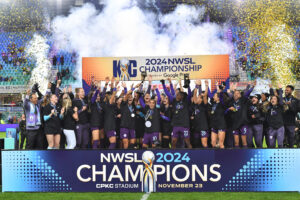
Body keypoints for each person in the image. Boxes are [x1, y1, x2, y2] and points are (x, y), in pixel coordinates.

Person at [191, 80, 209, 148]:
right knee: (196, 143)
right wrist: (196, 86)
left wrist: (206, 86)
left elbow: (205, 96)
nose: (197, 98)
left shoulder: (204, 105)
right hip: (196, 128)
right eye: (198, 97)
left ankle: (208, 157)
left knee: (204, 144)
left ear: (201, 100)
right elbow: (194, 94)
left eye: (199, 97)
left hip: (203, 127)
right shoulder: (195, 105)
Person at [103, 78, 118, 149]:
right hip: (109, 126)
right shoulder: (108, 104)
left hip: (111, 126)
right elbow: (113, 95)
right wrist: (115, 85)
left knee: (113, 143)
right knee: (113, 143)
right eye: (112, 97)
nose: (114, 98)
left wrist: (112, 85)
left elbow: (113, 95)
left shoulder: (110, 105)